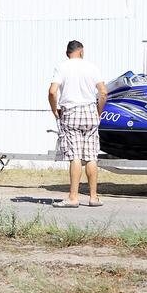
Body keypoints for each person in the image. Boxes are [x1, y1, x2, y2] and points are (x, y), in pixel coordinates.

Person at [48, 40, 108, 208]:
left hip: (71, 112)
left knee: (75, 156)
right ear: (81, 51)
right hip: (90, 111)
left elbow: (52, 92)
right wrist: (98, 112)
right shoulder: (92, 67)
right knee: (91, 156)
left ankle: (73, 198)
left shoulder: (62, 67)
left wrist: (55, 110)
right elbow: (103, 92)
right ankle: (93, 198)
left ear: (68, 53)